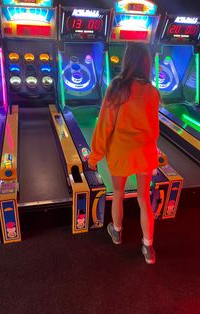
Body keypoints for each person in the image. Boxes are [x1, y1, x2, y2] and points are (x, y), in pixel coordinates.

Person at [88, 42, 160, 264]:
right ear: (146, 63)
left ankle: (117, 232)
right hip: (145, 154)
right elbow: (154, 128)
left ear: (127, 60)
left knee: (118, 193)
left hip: (121, 153)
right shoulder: (152, 91)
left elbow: (104, 126)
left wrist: (94, 157)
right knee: (143, 199)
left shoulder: (117, 87)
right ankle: (148, 247)